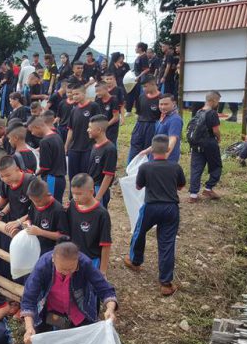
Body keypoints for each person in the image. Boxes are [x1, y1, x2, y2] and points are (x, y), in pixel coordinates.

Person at [5, 241, 118, 344]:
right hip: (51, 307)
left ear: (77, 260)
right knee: (33, 339)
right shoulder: (43, 265)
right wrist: (29, 327)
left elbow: (104, 288)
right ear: (53, 260)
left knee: (86, 343)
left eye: (72, 269)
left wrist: (110, 308)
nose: (68, 273)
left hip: (78, 308)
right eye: (63, 269)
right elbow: (29, 298)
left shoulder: (84, 263)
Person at [124, 134, 186, 297]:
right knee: (167, 243)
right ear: (168, 150)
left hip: (151, 206)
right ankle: (165, 283)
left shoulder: (145, 167)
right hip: (171, 208)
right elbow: (180, 187)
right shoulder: (175, 167)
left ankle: (135, 261)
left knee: (139, 232)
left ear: (152, 151)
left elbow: (138, 187)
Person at [0, 155, 36, 279]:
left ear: (17, 169)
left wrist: (19, 221)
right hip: (10, 222)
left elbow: (37, 209)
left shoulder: (31, 182)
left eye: (7, 175)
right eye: (1, 176)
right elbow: (5, 198)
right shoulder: (5, 183)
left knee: (23, 260)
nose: (4, 179)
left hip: (28, 226)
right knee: (6, 252)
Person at [67, 174, 112, 276]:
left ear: (91, 192)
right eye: (73, 193)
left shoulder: (101, 214)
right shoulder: (73, 204)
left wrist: (103, 271)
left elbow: (106, 244)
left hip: (91, 259)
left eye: (79, 194)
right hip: (72, 256)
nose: (75, 197)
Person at [188, 91, 222, 203]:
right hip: (209, 144)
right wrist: (219, 138)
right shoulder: (212, 113)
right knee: (216, 166)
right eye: (218, 101)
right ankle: (208, 189)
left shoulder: (198, 111)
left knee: (196, 168)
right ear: (214, 101)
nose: (218, 104)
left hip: (196, 144)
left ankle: (193, 195)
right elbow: (215, 130)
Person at [21, 178, 68, 255]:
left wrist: (41, 232)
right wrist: (26, 226)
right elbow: (30, 219)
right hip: (35, 249)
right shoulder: (35, 204)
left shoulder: (58, 210)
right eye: (33, 200)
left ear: (48, 195)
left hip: (50, 253)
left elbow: (63, 236)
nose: (36, 203)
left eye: (38, 201)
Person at [65, 83, 101, 180]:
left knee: (85, 176)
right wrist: (66, 145)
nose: (75, 97)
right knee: (73, 177)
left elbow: (98, 126)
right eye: (73, 95)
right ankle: (73, 195)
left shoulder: (93, 106)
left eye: (77, 94)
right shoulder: (74, 110)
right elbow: (70, 129)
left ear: (84, 93)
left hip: (88, 148)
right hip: (74, 148)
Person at [32, 113, 67, 203]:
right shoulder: (56, 136)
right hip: (60, 178)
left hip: (52, 178)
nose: (32, 133)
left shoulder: (44, 141)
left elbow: (45, 167)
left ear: (37, 127)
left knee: (50, 204)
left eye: (32, 130)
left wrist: (35, 174)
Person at [139, 94, 183, 162]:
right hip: (155, 158)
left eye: (166, 104)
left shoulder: (175, 119)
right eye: (161, 104)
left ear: (174, 103)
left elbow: (173, 139)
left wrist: (164, 158)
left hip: (166, 161)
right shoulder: (164, 116)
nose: (163, 107)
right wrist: (146, 151)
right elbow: (159, 140)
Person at [86, 115, 118, 208]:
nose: (88, 130)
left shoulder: (109, 149)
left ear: (99, 130)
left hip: (99, 189)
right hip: (91, 188)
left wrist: (98, 197)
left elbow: (108, 175)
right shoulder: (94, 146)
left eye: (90, 128)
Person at [128, 75, 161, 162]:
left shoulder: (161, 98)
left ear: (153, 84)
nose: (143, 89)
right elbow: (138, 113)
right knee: (134, 147)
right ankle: (131, 169)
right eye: (142, 86)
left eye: (145, 86)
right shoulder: (141, 97)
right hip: (140, 125)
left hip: (153, 125)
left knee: (149, 150)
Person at [125, 42, 151, 114]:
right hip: (135, 79)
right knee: (131, 94)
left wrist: (139, 76)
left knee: (138, 95)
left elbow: (146, 69)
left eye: (136, 47)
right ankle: (129, 111)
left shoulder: (144, 57)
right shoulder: (139, 56)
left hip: (140, 80)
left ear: (140, 48)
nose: (135, 49)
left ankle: (139, 111)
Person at [94, 81, 120, 148]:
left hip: (111, 128)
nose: (97, 93)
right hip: (100, 128)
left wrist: (106, 125)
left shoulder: (114, 100)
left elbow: (116, 117)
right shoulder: (97, 99)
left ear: (106, 89)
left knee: (110, 145)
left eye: (99, 91)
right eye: (96, 91)